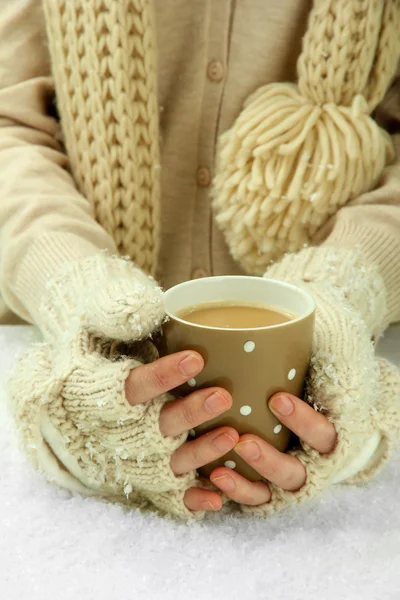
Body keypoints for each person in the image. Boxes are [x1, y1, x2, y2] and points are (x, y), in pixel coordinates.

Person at [1, 0, 399, 521]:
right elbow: (10, 125)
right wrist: (73, 282)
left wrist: (346, 286)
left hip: (351, 377)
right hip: (79, 370)